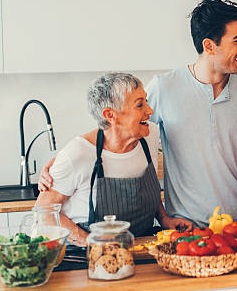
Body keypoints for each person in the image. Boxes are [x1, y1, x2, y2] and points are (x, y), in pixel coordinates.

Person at [39, 0, 237, 226]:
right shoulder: (164, 88)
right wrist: (64, 161)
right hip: (184, 229)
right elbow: (118, 127)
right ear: (209, 46)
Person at [34, 72, 192, 246]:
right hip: (89, 258)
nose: (150, 110)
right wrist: (90, 243)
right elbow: (44, 212)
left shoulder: (149, 136)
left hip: (141, 247)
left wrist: (164, 219)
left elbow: (144, 194)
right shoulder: (78, 153)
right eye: (140, 105)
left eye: (146, 101)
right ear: (110, 115)